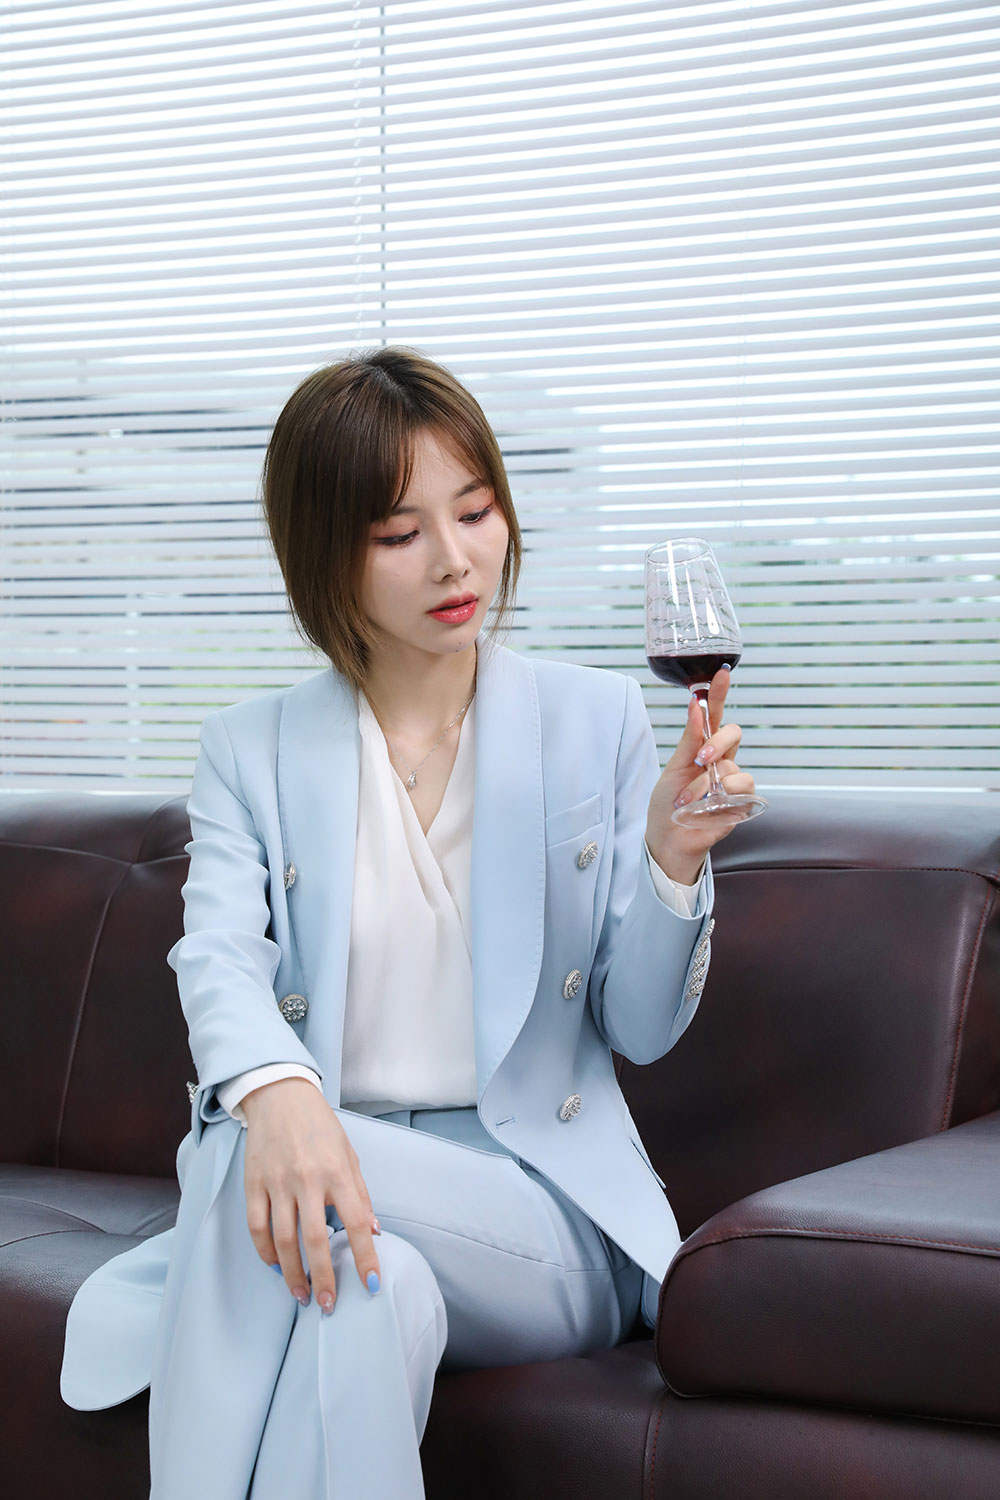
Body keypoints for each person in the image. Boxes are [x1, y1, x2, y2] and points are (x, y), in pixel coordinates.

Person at [59, 346, 756, 1499]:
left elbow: (638, 1028)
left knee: (237, 1145)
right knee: (365, 1301)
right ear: (324, 553)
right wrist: (284, 1096)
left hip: (538, 1211)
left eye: (474, 512)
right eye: (398, 533)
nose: (454, 558)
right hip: (331, 1202)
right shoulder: (250, 749)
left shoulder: (595, 720)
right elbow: (216, 954)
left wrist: (674, 861)